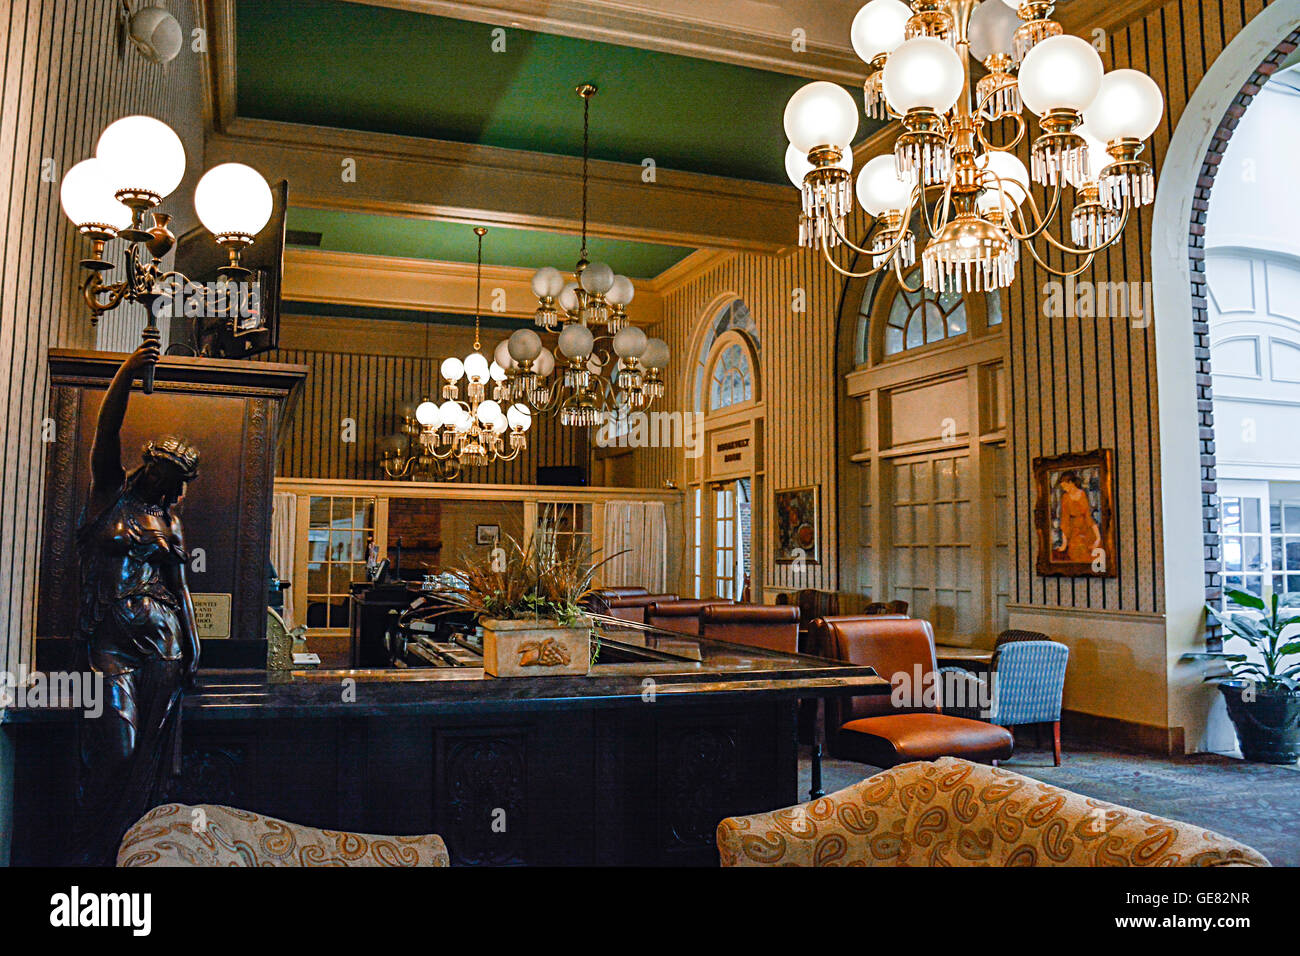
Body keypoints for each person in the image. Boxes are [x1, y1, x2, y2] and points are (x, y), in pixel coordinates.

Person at [72, 342, 201, 865]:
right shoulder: (109, 495)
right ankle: (94, 853)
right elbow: (106, 433)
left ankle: (137, 853)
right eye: (159, 471)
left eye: (173, 480)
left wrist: (193, 644)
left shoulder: (170, 523)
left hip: (165, 644)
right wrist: (128, 370)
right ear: (146, 465)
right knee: (116, 749)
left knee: (149, 757)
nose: (162, 483)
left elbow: (180, 586)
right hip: (110, 645)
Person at [1053, 471, 1102, 565]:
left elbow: (1088, 517)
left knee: (1096, 550)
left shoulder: (1083, 494)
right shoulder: (1065, 498)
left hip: (1086, 529)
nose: (1064, 489)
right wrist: (1064, 543)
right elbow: (1064, 520)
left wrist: (1098, 537)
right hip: (1074, 531)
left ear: (1071, 483)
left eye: (1065, 486)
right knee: (1079, 552)